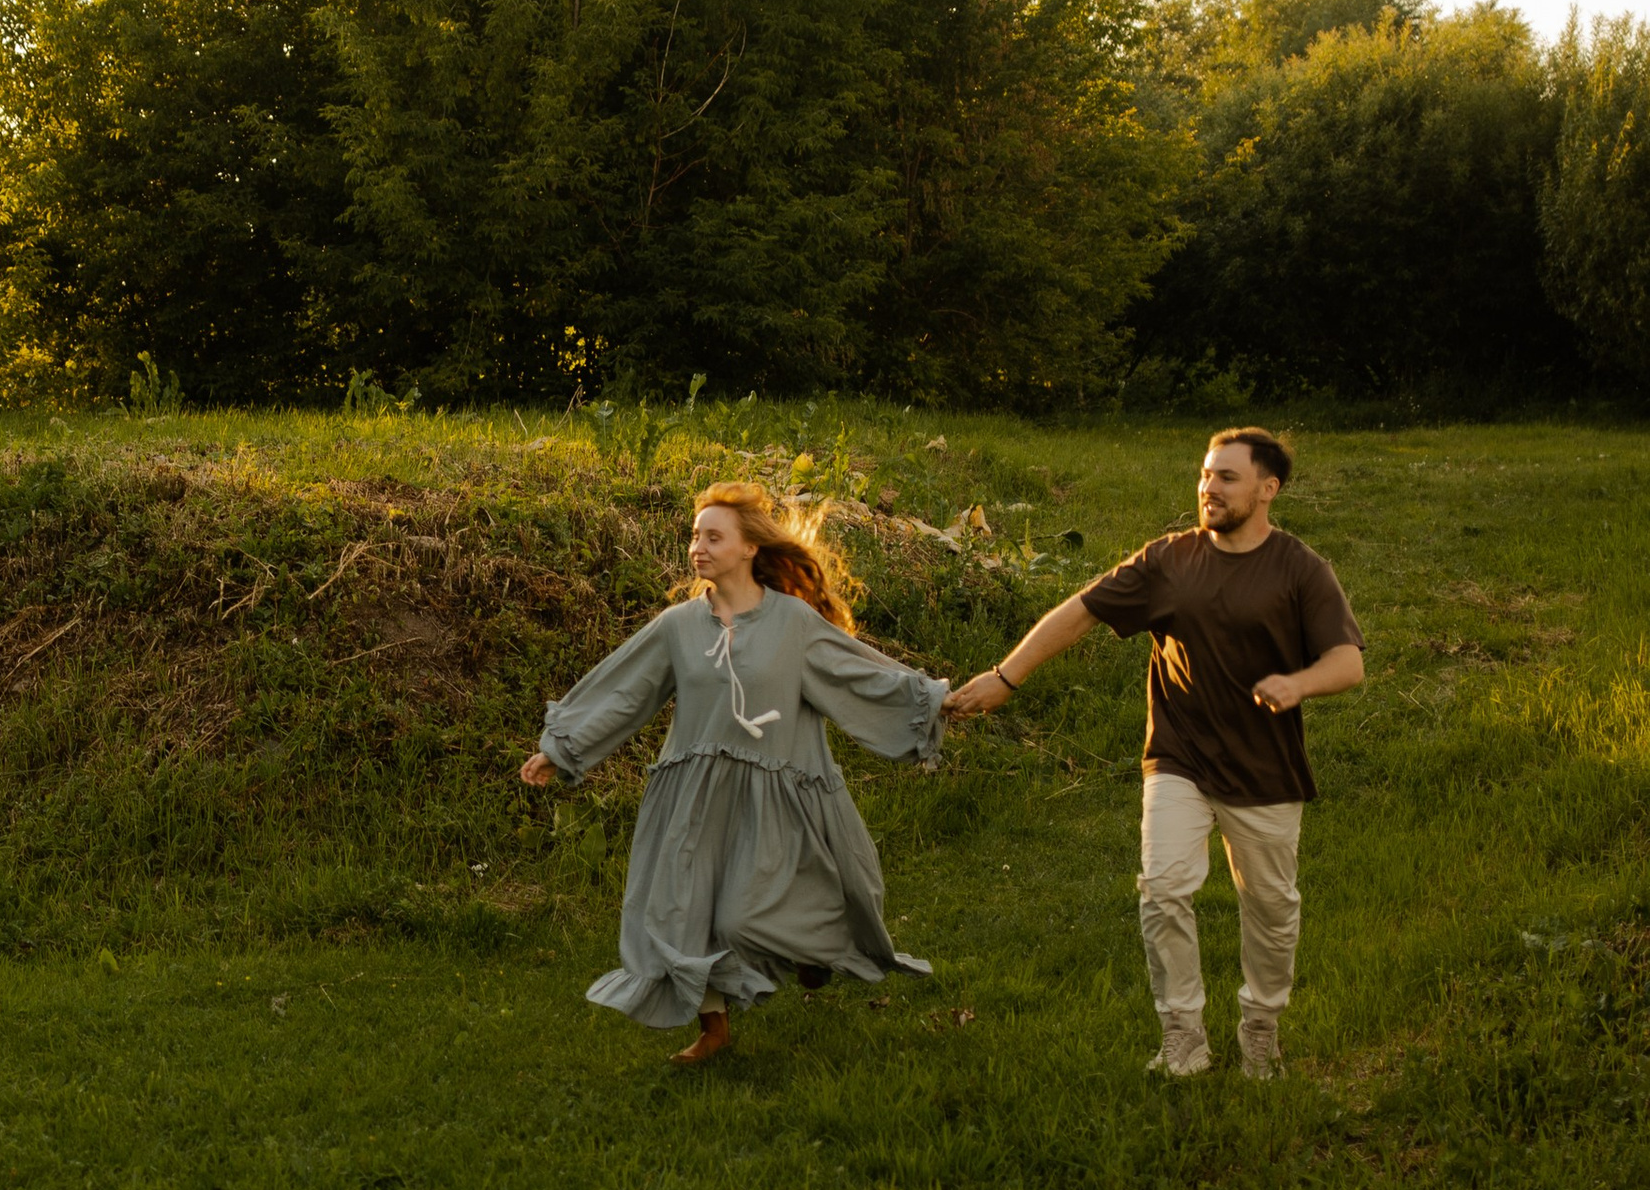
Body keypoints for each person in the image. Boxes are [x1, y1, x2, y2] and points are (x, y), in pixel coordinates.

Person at [942, 426, 1364, 1080]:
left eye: (1227, 477)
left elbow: (1347, 662)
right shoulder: (1169, 560)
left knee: (1272, 909)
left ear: (1268, 489)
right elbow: (1080, 611)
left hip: (1265, 767)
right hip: (1178, 757)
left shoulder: (1300, 569)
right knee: (1162, 890)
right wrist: (1006, 676)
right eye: (1205, 474)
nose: (1208, 487)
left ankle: (1260, 1030)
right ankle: (1183, 1038)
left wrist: (1298, 684)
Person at [518, 480, 949, 1068]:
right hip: (694, 796)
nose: (698, 547)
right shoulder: (677, 626)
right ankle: (714, 1029)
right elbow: (623, 691)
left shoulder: (793, 621)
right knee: (685, 914)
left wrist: (931, 701)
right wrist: (563, 748)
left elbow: (857, 674)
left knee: (744, 918)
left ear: (749, 547)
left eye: (713, 537)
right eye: (695, 536)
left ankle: (810, 951)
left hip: (774, 796)